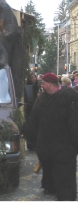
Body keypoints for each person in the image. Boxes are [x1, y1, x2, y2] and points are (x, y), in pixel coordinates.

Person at [22, 72, 78, 201]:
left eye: (44, 83)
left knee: (64, 173)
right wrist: (29, 134)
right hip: (46, 145)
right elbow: (34, 119)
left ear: (51, 85)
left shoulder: (69, 96)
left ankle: (66, 196)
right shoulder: (42, 98)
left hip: (64, 146)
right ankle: (50, 187)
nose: (41, 85)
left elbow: (74, 121)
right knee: (49, 168)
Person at [23, 73, 40, 150]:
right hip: (30, 107)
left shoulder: (38, 86)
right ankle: (30, 143)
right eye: (32, 77)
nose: (34, 79)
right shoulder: (27, 87)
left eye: (34, 77)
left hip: (36, 106)